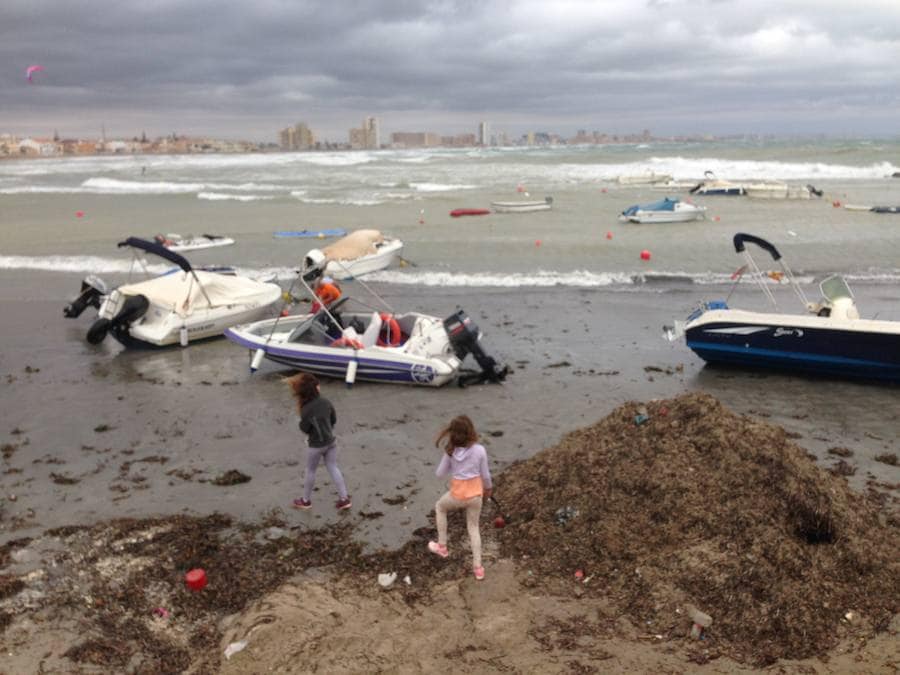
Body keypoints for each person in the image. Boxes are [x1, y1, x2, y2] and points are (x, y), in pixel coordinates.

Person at [427, 415, 492, 580]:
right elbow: (486, 476)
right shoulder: (480, 450)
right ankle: (478, 568)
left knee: (440, 507)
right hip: (476, 495)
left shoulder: (451, 451)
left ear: (452, 434)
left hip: (457, 495)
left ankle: (442, 546)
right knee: (473, 528)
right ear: (471, 431)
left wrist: (451, 462)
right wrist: (488, 491)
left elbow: (439, 474)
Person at [288, 372, 351, 511]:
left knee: (310, 470)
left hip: (316, 446)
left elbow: (305, 428)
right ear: (316, 388)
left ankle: (305, 501)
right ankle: (344, 499)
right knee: (333, 467)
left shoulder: (305, 409)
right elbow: (333, 419)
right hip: (331, 442)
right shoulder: (326, 402)